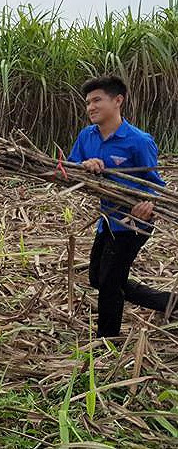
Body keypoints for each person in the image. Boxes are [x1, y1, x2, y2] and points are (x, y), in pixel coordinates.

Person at [68, 75, 173, 337]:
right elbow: (69, 168)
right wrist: (84, 165)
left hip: (134, 222)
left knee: (109, 283)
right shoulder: (87, 137)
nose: (90, 107)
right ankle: (170, 303)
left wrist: (148, 203)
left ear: (118, 100)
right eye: (88, 102)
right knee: (97, 278)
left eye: (97, 100)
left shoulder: (138, 141)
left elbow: (155, 184)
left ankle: (107, 340)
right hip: (108, 220)